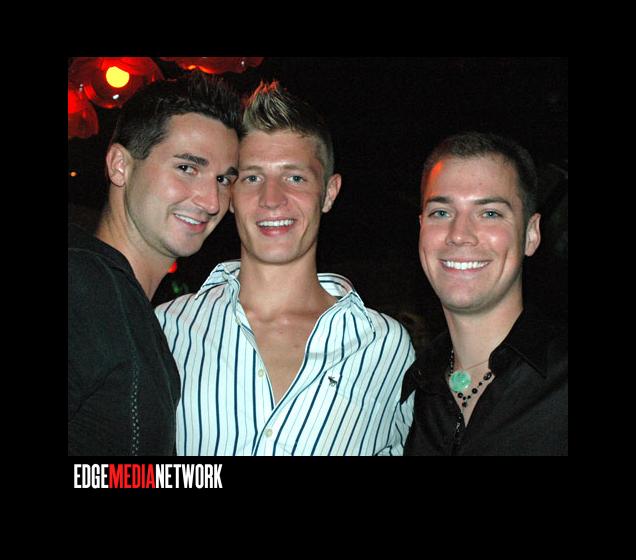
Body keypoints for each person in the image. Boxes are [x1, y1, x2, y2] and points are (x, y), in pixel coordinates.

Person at [155, 81, 415, 455]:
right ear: (230, 195)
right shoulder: (167, 328)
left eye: (295, 177)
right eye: (252, 177)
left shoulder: (386, 348)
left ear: (329, 193)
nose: (272, 199)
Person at [68, 70, 243, 455]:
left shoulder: (130, 309)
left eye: (223, 180)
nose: (212, 201)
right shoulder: (83, 288)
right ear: (120, 165)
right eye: (187, 168)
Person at [401, 131, 567, 455]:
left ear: (531, 234)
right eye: (441, 212)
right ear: (421, 228)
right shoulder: (405, 397)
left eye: (490, 213)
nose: (459, 234)